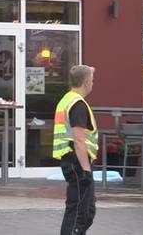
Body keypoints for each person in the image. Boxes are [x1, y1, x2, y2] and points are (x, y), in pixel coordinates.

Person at [53, 64, 98, 235]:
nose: (93, 83)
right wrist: (86, 170)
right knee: (79, 212)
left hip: (72, 159)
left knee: (86, 211)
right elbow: (79, 140)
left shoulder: (67, 100)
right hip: (77, 161)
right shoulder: (78, 104)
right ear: (86, 82)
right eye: (92, 80)